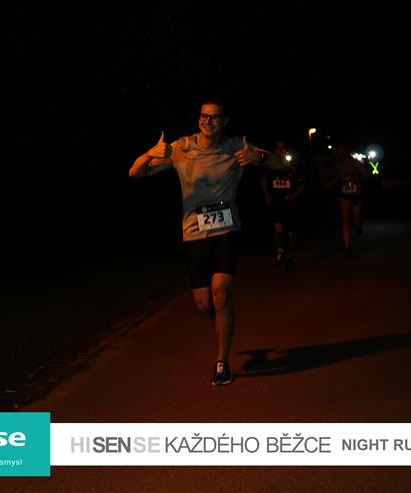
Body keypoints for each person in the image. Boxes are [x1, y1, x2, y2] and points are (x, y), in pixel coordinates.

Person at [128, 98, 266, 386]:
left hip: (227, 230)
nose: (207, 120)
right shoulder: (181, 148)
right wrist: (149, 154)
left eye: (214, 117)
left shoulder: (236, 147)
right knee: (204, 304)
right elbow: (135, 173)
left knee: (221, 291)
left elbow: (284, 162)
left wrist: (260, 158)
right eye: (204, 115)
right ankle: (220, 316)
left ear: (224, 122)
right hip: (193, 234)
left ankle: (222, 362)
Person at [260, 142, 305, 271]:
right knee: (278, 230)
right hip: (276, 203)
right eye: (278, 148)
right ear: (275, 150)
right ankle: (280, 251)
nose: (280, 151)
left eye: (283, 149)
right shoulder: (271, 166)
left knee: (290, 235)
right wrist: (267, 194)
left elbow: (302, 183)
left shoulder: (292, 166)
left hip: (289, 204)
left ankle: (289, 258)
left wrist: (293, 195)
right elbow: (263, 179)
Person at [335, 144, 370, 257]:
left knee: (356, 220)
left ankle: (358, 225)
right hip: (344, 194)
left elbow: (366, 175)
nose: (340, 153)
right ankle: (348, 248)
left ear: (347, 151)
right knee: (345, 221)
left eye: (342, 150)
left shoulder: (355, 163)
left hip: (356, 194)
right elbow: (337, 177)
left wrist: (357, 178)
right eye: (338, 151)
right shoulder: (338, 165)